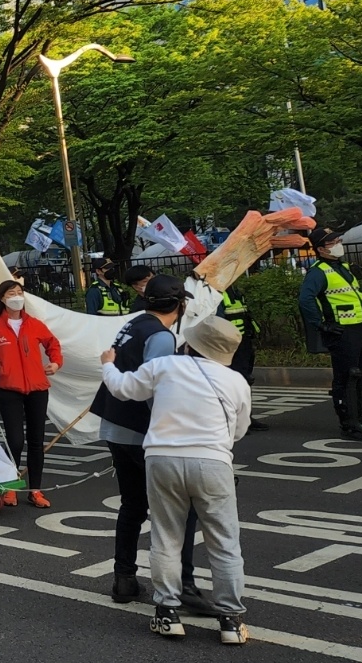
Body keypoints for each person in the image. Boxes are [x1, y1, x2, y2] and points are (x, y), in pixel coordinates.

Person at [99, 316, 252, 644]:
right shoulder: (236, 381)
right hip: (213, 462)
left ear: (191, 342)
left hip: (162, 458)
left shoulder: (165, 365)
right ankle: (231, 621)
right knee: (224, 541)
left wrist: (108, 365)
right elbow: (239, 430)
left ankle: (167, 613)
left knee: (166, 536)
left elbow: (123, 389)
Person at [90, 275, 210, 612]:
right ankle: (182, 584)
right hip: (141, 433)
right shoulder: (160, 336)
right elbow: (154, 390)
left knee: (132, 506)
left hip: (114, 425)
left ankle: (124, 578)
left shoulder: (135, 323)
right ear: (180, 304)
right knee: (177, 511)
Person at [0, 279, 63, 508]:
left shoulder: (35, 324)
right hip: (9, 389)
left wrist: (55, 363)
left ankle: (35, 490)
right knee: (14, 440)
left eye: (20, 292)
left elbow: (54, 344)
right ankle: (10, 486)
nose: (16, 296)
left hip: (38, 389)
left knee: (36, 441)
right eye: (11, 293)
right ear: (2, 299)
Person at [299, 226, 362, 438]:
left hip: (360, 329)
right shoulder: (318, 272)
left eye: (338, 240)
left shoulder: (343, 267)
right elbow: (305, 299)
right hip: (342, 332)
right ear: (321, 249)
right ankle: (349, 424)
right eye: (333, 242)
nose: (338, 245)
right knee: (348, 377)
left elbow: (357, 299)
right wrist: (321, 324)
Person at [218, 282, 268, 431]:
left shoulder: (234, 290)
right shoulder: (216, 292)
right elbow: (216, 322)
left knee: (245, 380)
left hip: (242, 342)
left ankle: (246, 418)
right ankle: (234, 422)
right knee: (231, 383)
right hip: (227, 345)